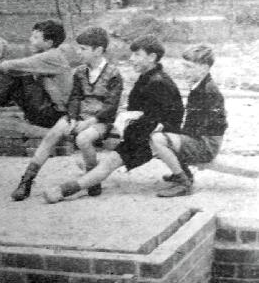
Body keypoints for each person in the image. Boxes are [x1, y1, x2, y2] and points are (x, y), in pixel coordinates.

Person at [44, 34, 184, 203]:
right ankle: (69, 187)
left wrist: (128, 135)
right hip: (147, 133)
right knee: (109, 161)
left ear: (152, 57)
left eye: (137, 55)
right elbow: (144, 113)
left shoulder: (157, 82)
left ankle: (63, 191)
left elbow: (161, 118)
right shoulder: (149, 77)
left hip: (155, 137)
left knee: (109, 163)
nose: (131, 59)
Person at [10, 27, 123, 201]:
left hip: (101, 120)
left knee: (83, 139)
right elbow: (75, 97)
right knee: (52, 134)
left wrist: (90, 121)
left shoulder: (114, 74)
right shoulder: (80, 72)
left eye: (83, 49)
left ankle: (92, 180)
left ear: (98, 51)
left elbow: (111, 105)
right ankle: (26, 181)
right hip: (79, 116)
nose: (79, 52)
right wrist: (72, 117)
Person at [150, 44, 227, 197]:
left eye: (189, 67)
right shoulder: (199, 85)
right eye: (184, 66)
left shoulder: (209, 91)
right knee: (158, 133)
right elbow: (191, 122)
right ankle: (182, 172)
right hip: (199, 138)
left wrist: (174, 135)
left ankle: (184, 182)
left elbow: (217, 124)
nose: (184, 71)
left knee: (158, 140)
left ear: (204, 68)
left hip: (206, 145)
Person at [0, 20, 73, 128]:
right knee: (19, 73)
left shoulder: (51, 56)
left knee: (18, 74)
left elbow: (9, 65)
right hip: (52, 111)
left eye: (35, 37)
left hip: (53, 116)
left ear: (49, 43)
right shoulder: (54, 55)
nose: (30, 40)